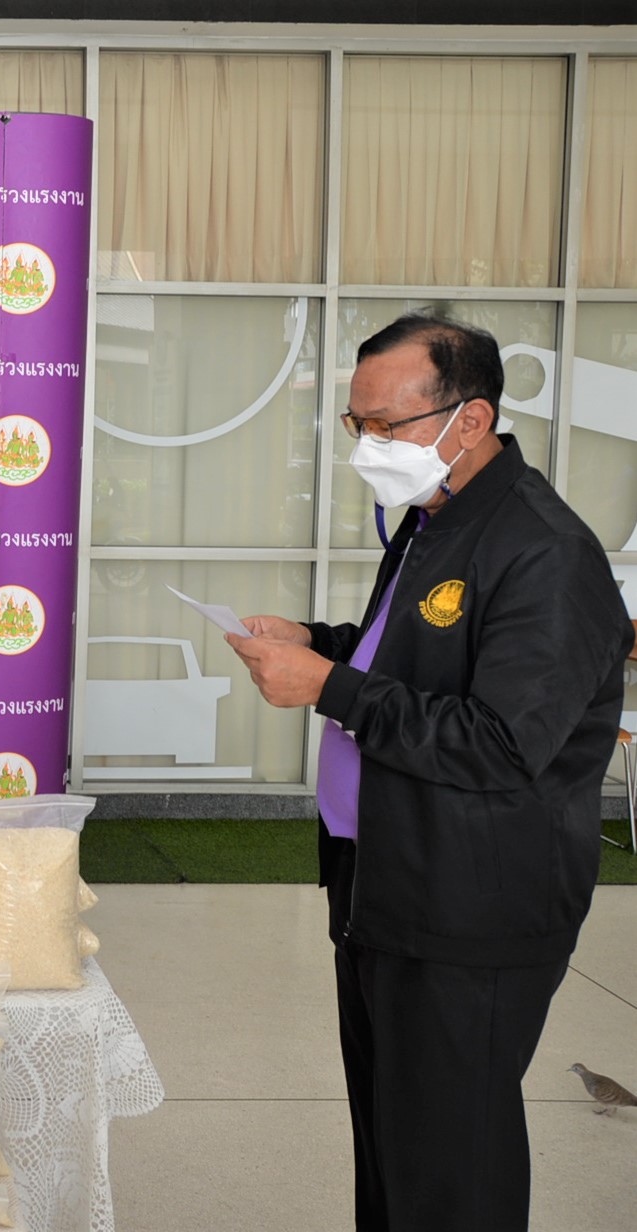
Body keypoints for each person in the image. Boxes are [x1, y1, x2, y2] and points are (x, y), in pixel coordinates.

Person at [227, 313, 633, 1231]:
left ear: (470, 417)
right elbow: (416, 659)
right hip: (385, 881)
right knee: (394, 1143)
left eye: (385, 424)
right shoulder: (435, 519)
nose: (367, 445)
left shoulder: (544, 552)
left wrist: (327, 687)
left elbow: (502, 741)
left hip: (469, 903)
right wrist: (320, 643)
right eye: (356, 423)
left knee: (452, 1164)